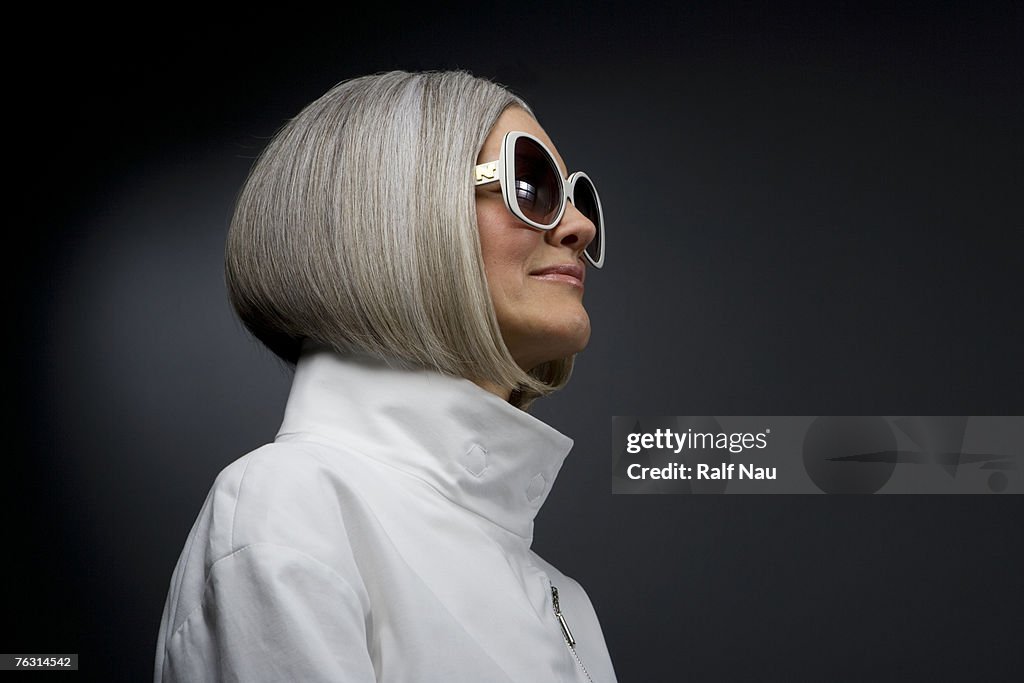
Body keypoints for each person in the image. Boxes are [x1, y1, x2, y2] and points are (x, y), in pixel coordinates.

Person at [154, 70, 616, 682]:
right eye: (531, 186)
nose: (578, 226)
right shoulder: (292, 507)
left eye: (578, 198)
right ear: (397, 213)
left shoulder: (567, 603)